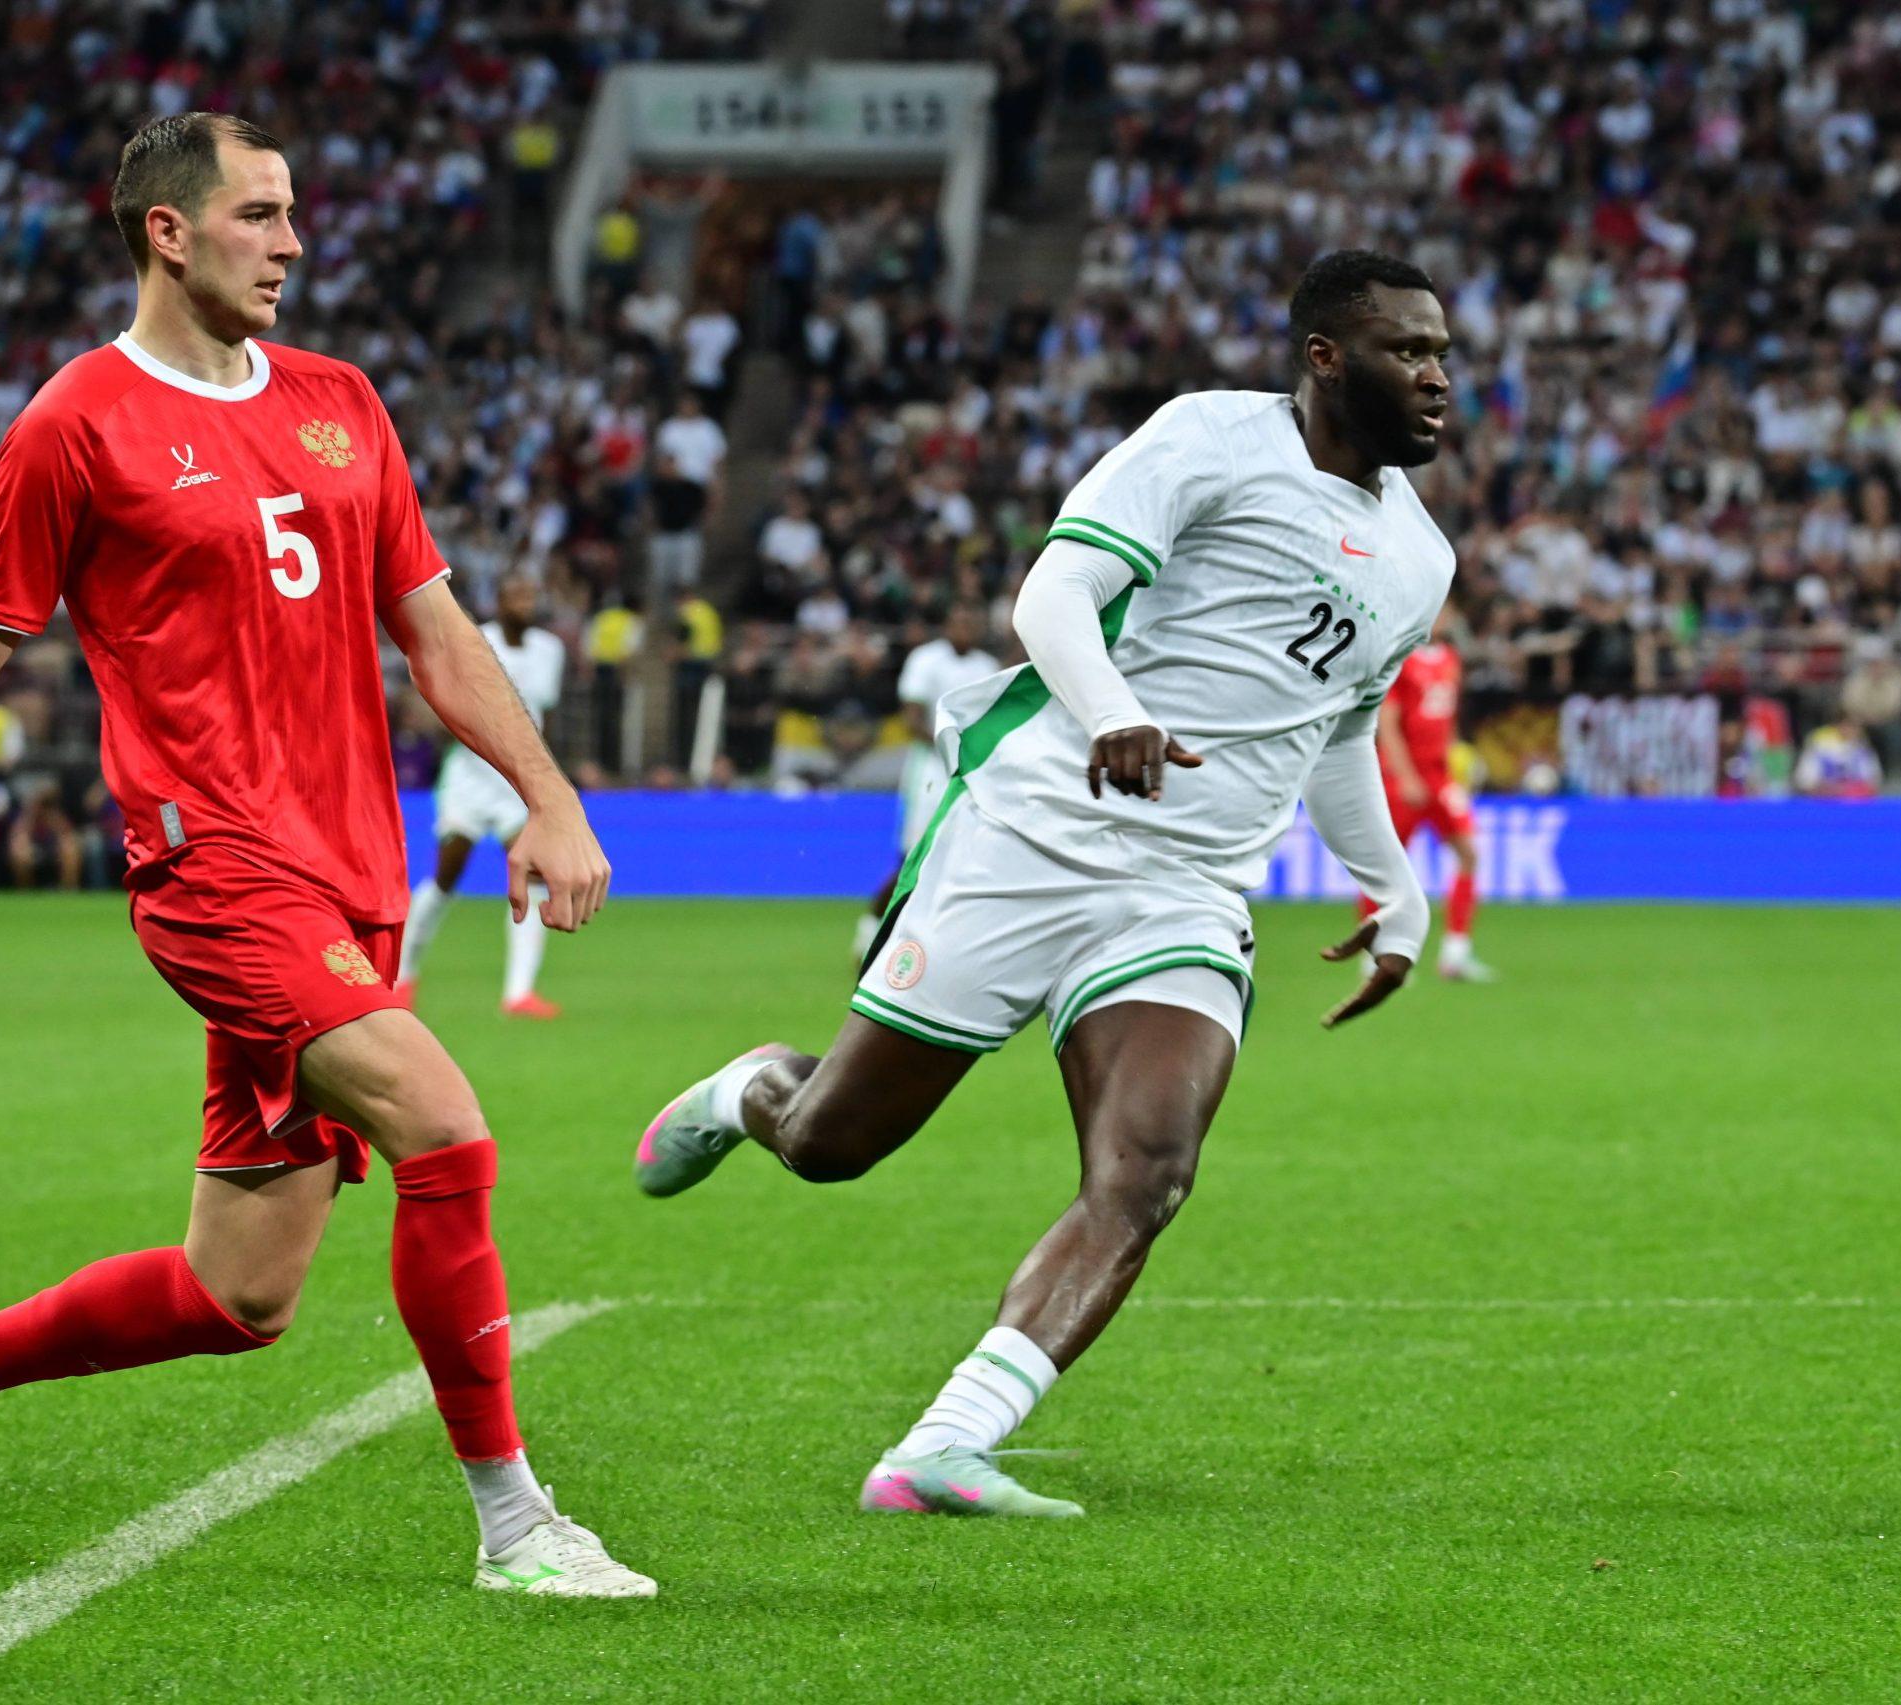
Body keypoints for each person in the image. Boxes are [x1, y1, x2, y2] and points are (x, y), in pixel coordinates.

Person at [0, 114, 650, 1597]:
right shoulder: (76, 421)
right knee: (445, 1131)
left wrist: (550, 795)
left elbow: (434, 631)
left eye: (292, 214)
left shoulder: (341, 400)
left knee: (239, 1294)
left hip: (352, 874)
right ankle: (517, 1523)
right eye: (261, 215)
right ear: (168, 232)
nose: (292, 244)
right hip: (213, 869)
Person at [634, 250, 1455, 1517]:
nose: (1438, 376)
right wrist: (1114, 711)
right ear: (1325, 357)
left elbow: (1338, 731)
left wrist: (1391, 887)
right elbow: (1054, 594)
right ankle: (753, 1088)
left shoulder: (1420, 556)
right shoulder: (1208, 441)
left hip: (1187, 889)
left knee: (1148, 1170)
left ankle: (942, 1446)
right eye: (1408, 350)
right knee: (832, 1144)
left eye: (1443, 353)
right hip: (1035, 831)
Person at [400, 573, 572, 1018]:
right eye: (517, 595)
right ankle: (404, 975)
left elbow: (546, 716)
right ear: (498, 601)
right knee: (446, 877)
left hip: (515, 784)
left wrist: (546, 775)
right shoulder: (478, 641)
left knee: (532, 877)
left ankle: (519, 993)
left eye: (531, 594)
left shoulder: (549, 650)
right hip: (470, 780)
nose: (525, 602)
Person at [854, 601, 1002, 960]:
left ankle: (944, 940)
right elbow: (912, 718)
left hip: (970, 769)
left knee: (966, 855)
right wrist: (950, 746)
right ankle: (872, 927)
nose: (965, 629)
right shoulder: (926, 659)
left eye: (972, 623)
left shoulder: (987, 666)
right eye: (959, 622)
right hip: (931, 769)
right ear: (948, 625)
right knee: (915, 856)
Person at [1358, 603, 1492, 981]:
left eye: (1448, 611)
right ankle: (1375, 955)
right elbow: (1388, 723)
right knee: (1385, 866)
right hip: (1405, 776)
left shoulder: (1450, 659)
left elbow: (1446, 720)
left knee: (1468, 853)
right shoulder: (1399, 659)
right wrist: (1405, 776)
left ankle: (1455, 954)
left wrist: (1456, 762)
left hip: (1440, 777)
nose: (1444, 617)